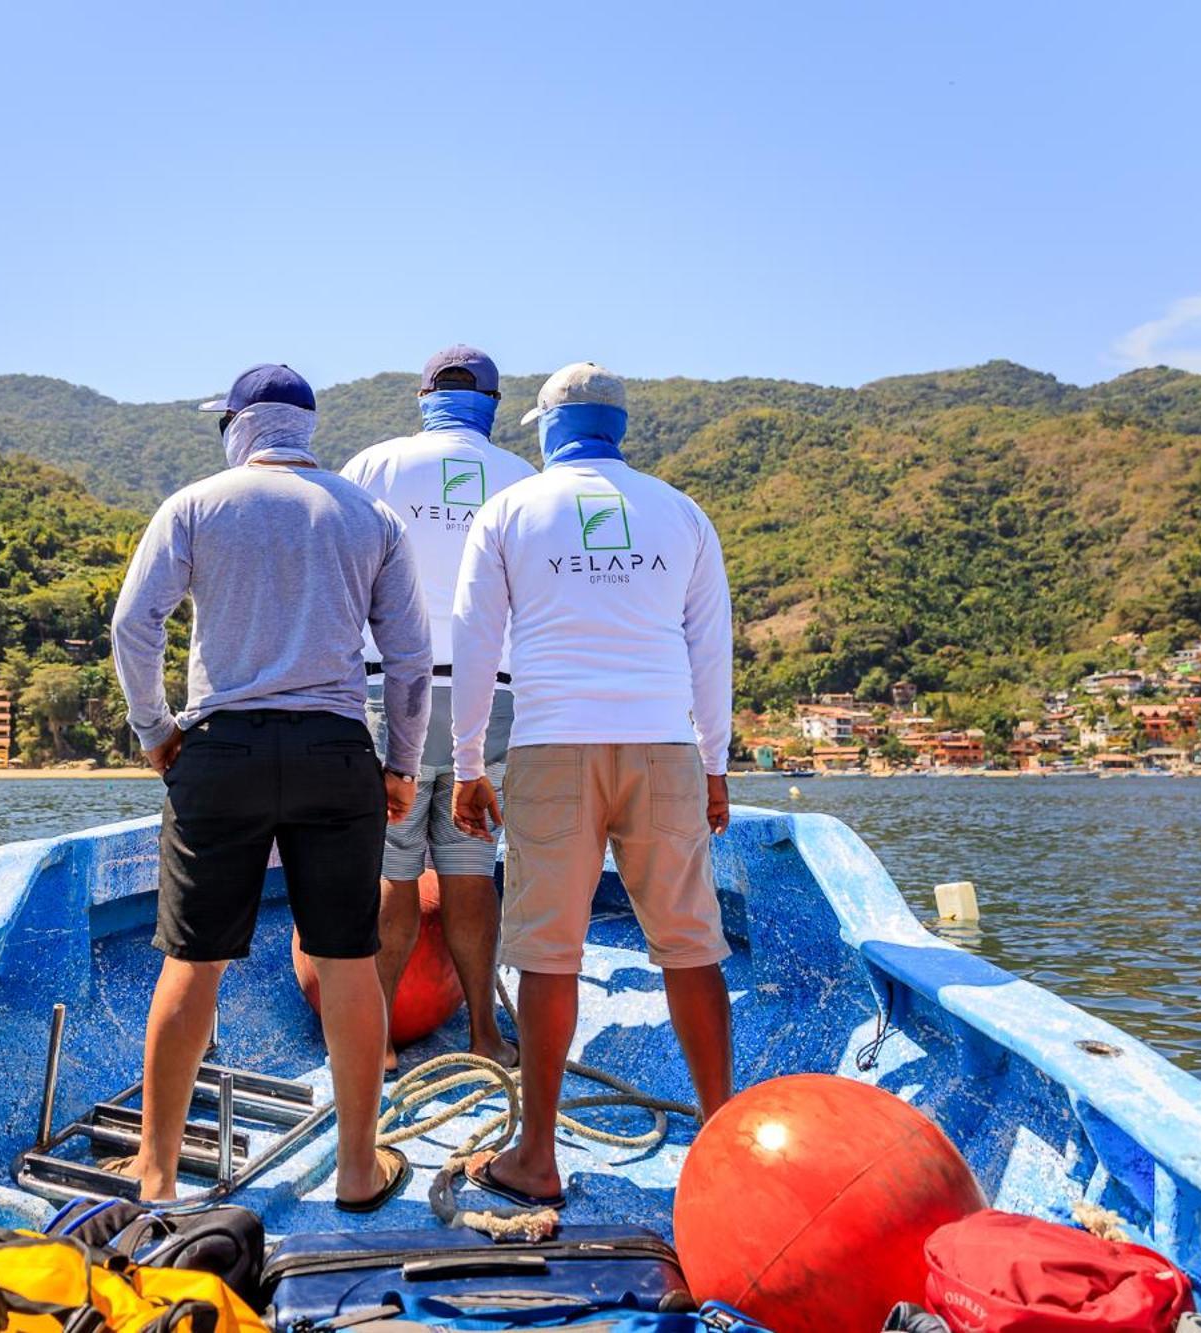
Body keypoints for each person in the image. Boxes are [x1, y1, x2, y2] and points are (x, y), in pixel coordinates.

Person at [110, 363, 432, 1210]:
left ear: (241, 427)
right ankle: (359, 1170)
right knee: (349, 960)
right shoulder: (371, 515)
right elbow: (407, 657)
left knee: (193, 960)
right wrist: (401, 762)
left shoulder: (196, 504)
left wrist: (156, 730)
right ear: (306, 428)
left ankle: (155, 1170)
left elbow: (133, 624)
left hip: (221, 750)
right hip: (335, 751)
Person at [448, 361, 735, 1208]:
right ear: (620, 428)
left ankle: (536, 1154)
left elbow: (474, 642)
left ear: (545, 428)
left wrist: (468, 763)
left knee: (547, 950)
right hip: (663, 747)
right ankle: (720, 1142)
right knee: (691, 942)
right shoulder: (681, 512)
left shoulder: (509, 509)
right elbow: (709, 650)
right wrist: (713, 762)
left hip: (551, 748)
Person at [339, 345, 537, 1070]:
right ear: (490, 401)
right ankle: (486, 1035)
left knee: (391, 873)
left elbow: (343, 578)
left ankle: (381, 1040)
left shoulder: (371, 466)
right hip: (494, 696)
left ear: (425, 396)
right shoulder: (523, 479)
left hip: (390, 688)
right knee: (471, 868)